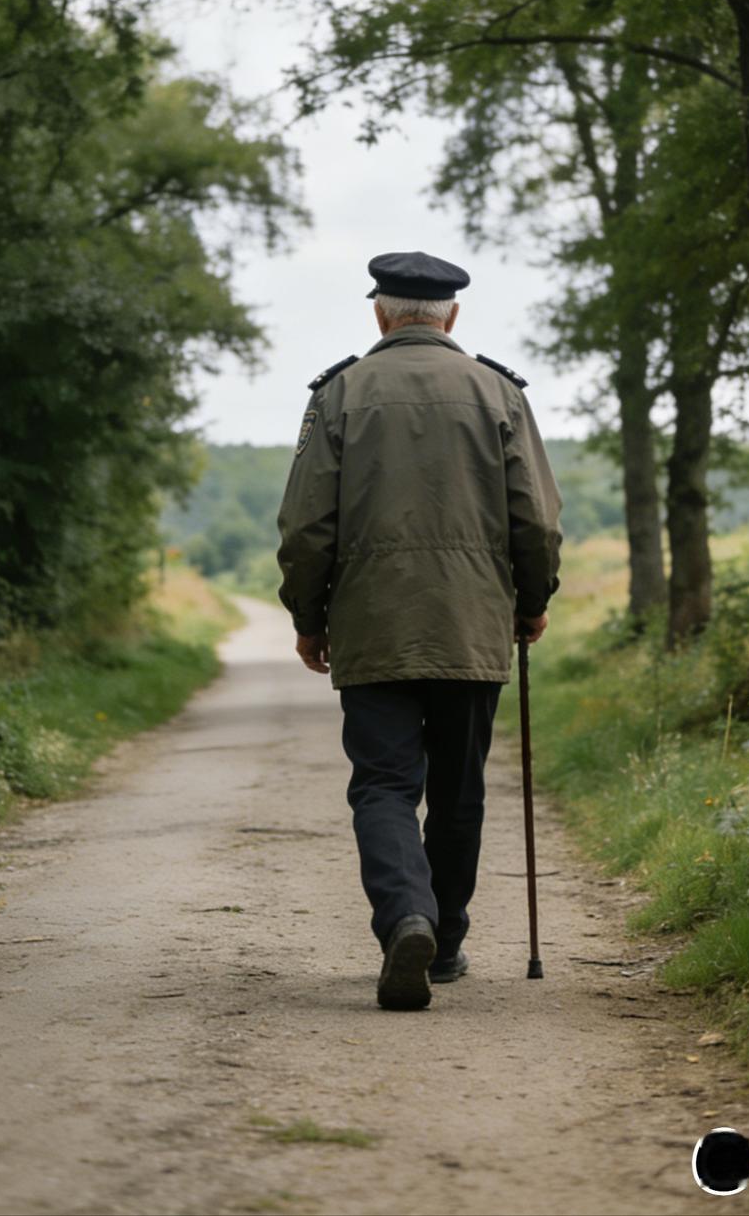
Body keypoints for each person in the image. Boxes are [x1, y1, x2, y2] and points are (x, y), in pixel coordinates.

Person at [276, 250, 562, 1009]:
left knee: (383, 785)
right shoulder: (499, 392)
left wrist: (309, 617)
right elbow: (536, 519)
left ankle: (408, 916)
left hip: (373, 626)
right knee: (459, 788)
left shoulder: (339, 393)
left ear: (381, 313)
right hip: (472, 623)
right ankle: (448, 943)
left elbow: (305, 526)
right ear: (451, 317)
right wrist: (532, 600)